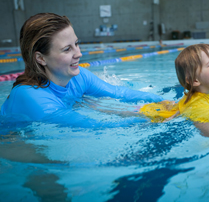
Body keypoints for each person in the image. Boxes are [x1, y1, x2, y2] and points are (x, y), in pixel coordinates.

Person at [0, 13, 163, 121]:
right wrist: (149, 117)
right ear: (41, 58)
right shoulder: (30, 97)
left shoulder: (78, 77)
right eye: (67, 49)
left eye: (76, 44)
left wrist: (164, 102)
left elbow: (118, 92)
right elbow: (93, 127)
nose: (79, 54)